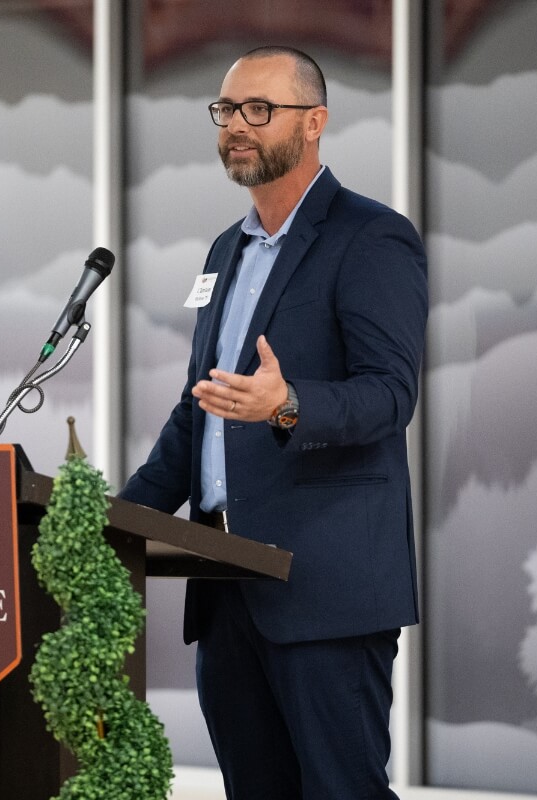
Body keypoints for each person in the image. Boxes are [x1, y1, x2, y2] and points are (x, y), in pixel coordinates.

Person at [118, 46, 427, 799]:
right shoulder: (226, 251)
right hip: (226, 591)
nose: (237, 127)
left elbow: (391, 395)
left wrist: (286, 404)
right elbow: (200, 414)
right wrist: (114, 524)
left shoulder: (371, 237)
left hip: (326, 590)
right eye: (227, 111)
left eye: (260, 110)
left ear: (315, 123)